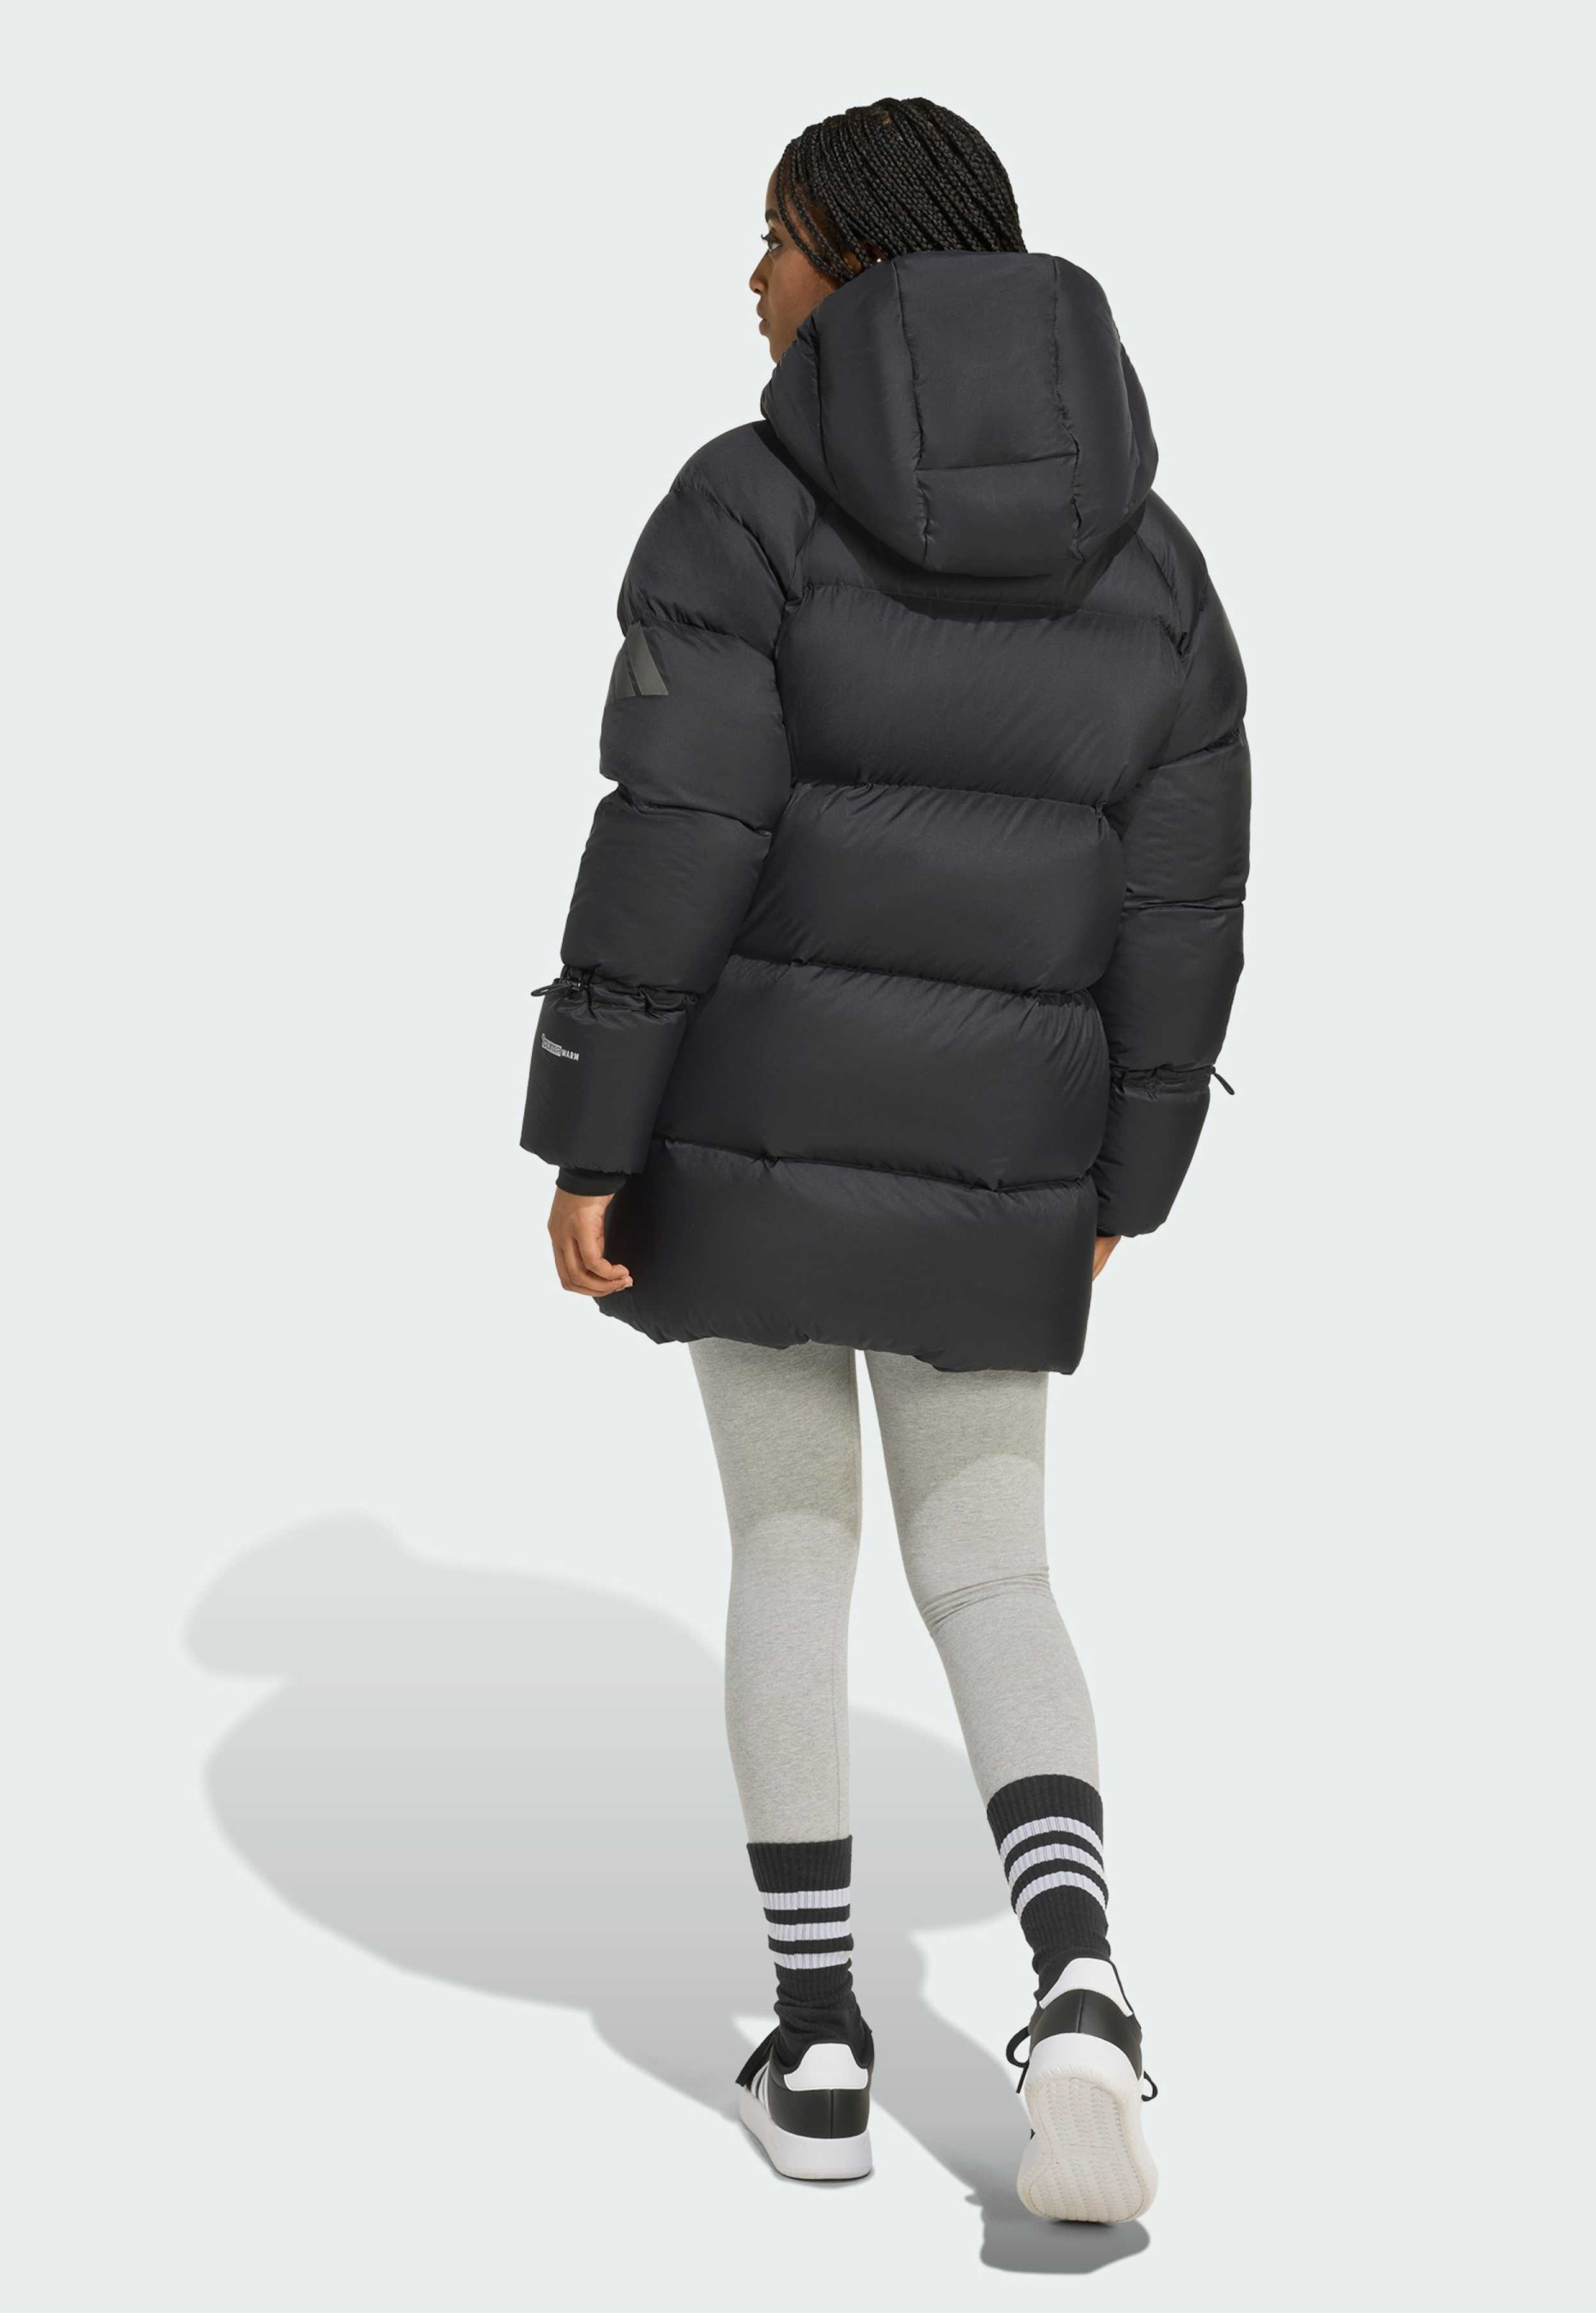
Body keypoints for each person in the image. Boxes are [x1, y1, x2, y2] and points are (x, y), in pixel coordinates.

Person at [521, 97, 1247, 2221]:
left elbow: (676, 835)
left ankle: (822, 2040)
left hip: (750, 1127)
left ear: (845, 253)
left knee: (791, 1550)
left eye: (768, 236)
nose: (746, 280)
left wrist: (585, 1132)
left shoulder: (740, 508)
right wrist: (1128, 1173)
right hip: (1007, 1147)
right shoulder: (1147, 552)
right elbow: (1183, 892)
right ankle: (1080, 1989)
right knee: (993, 1570)